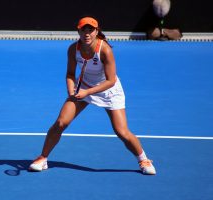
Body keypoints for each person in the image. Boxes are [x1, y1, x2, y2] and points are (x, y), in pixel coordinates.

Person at [29, 16, 156, 175]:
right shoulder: (73, 49)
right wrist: (71, 91)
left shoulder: (105, 50)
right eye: (84, 30)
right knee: (60, 123)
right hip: (84, 87)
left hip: (109, 91)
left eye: (91, 30)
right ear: (78, 31)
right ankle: (43, 158)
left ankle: (143, 159)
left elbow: (110, 81)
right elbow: (69, 74)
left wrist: (86, 92)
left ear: (97, 32)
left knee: (122, 131)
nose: (87, 33)